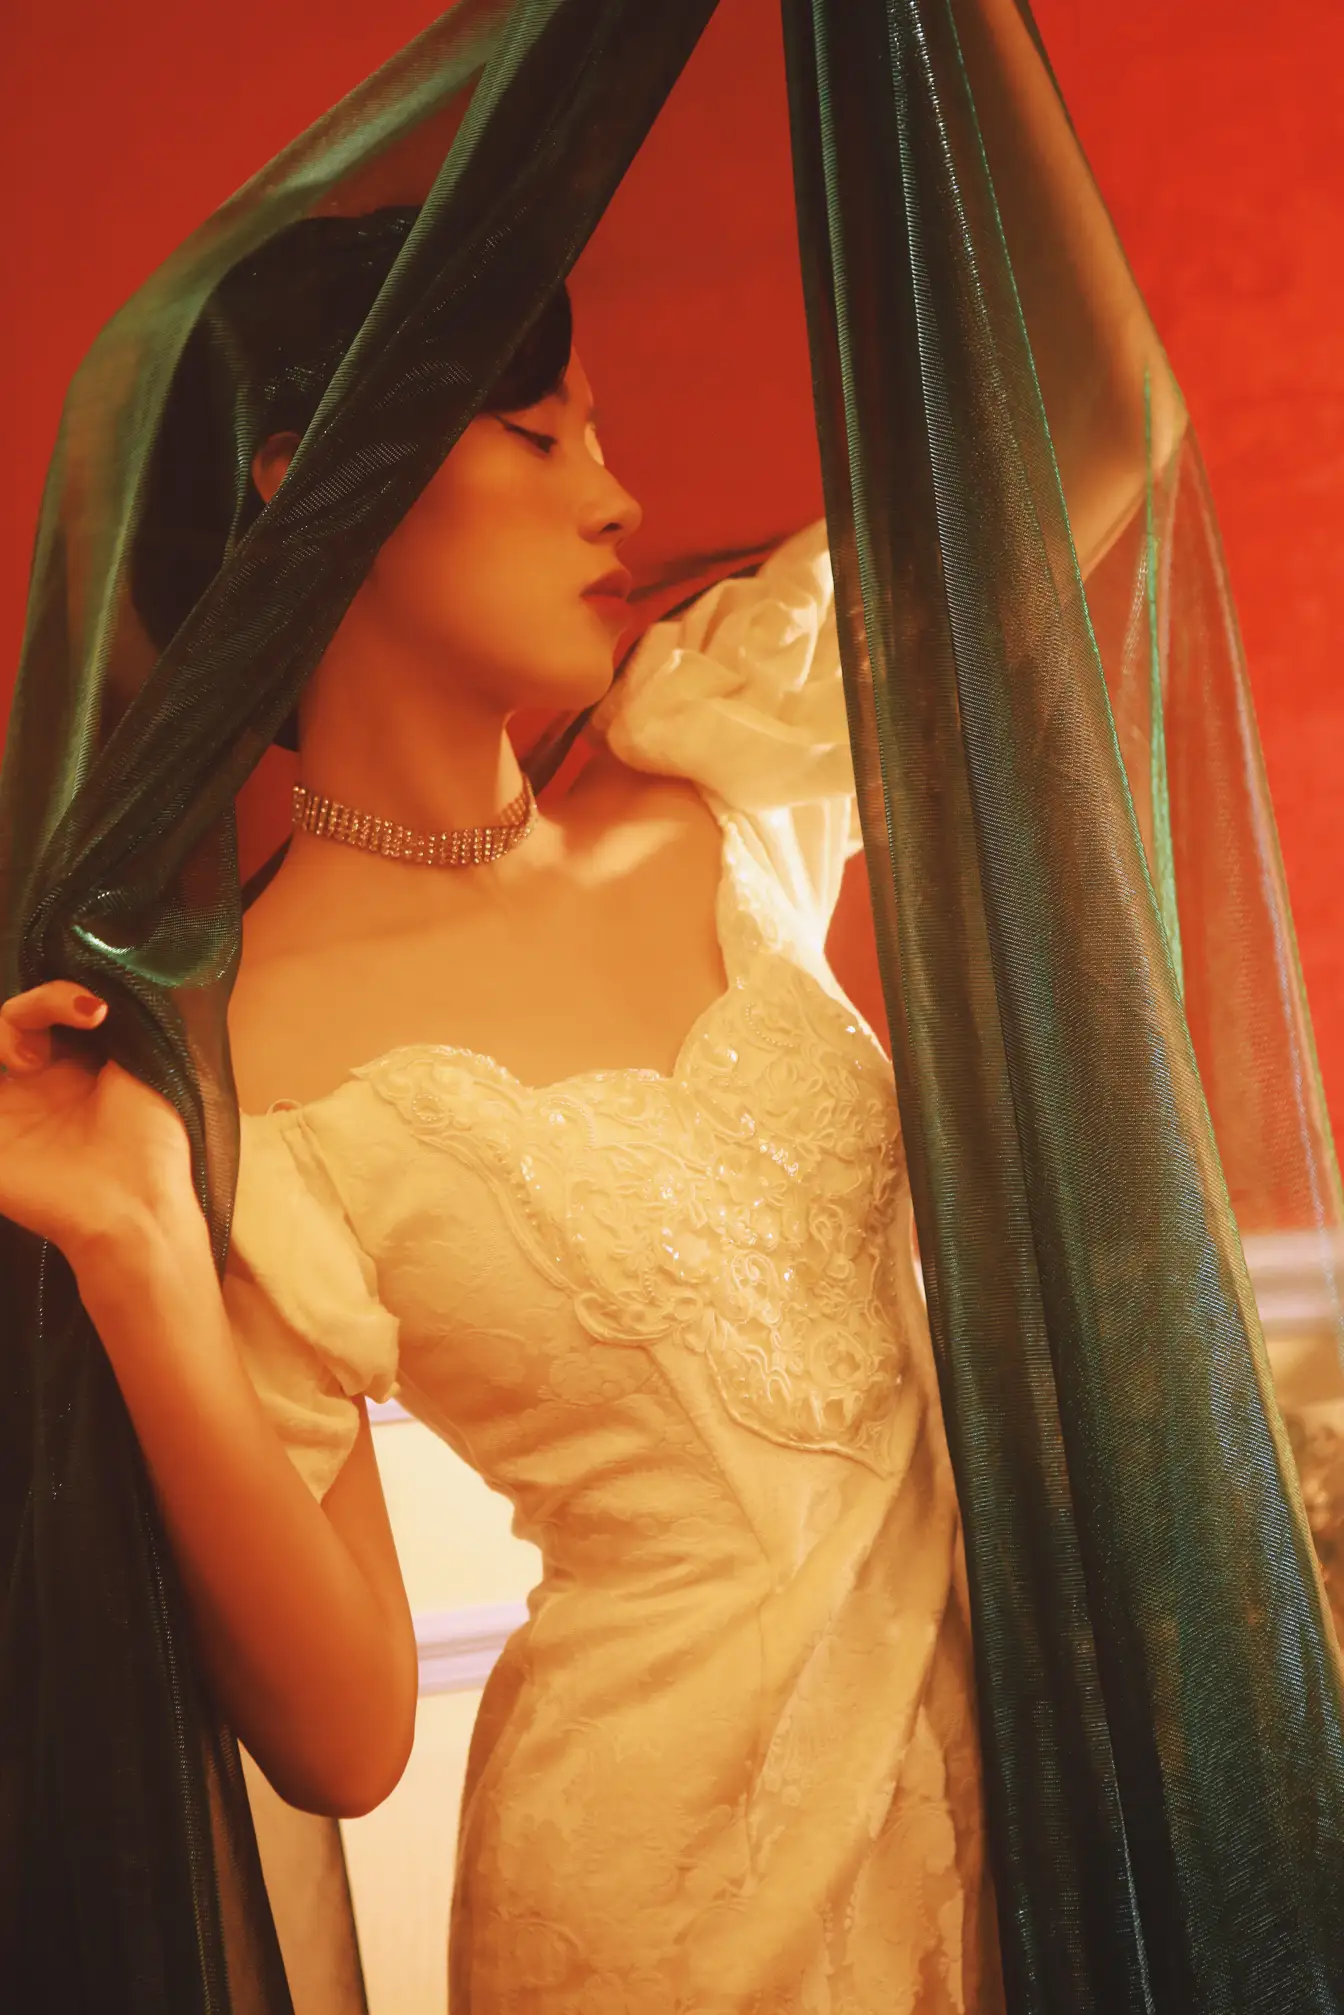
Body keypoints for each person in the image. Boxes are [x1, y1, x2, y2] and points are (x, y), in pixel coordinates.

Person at [0, 210, 999, 2010]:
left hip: (1019, 1820)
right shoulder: (248, 1072)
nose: (616, 500)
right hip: (664, 1918)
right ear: (319, 479)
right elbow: (348, 1736)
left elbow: (1096, 426)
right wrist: (137, 1248)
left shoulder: (715, 773)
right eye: (540, 435)